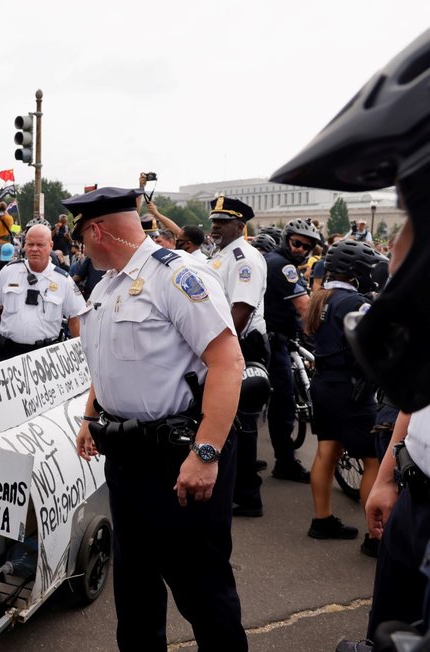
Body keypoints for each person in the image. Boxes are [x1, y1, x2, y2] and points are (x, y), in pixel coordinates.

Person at [269, 29, 430, 641]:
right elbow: (415, 399)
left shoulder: (318, 296)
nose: (399, 247)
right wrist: (390, 472)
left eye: (411, 219)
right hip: (413, 490)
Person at [68, 186, 246, 651]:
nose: (82, 248)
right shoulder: (106, 285)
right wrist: (92, 415)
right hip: (127, 460)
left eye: (82, 237)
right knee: (136, 591)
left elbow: (228, 363)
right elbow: (109, 362)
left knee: (202, 591)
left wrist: (205, 454)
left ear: (97, 230)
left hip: (179, 458)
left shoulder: (179, 276)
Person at [302, 240, 383, 550]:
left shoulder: (321, 297)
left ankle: (322, 521)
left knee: (326, 452)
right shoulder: (354, 301)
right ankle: (375, 537)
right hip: (351, 388)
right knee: (373, 460)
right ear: (357, 272)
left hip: (324, 384)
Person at [208, 197, 270, 518]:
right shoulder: (221, 255)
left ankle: (247, 496)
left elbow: (241, 311)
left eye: (223, 221)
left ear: (240, 226)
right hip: (228, 343)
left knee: (241, 424)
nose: (215, 226)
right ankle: (236, 487)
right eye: (214, 220)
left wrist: (215, 346)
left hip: (241, 344)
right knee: (229, 422)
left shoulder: (244, 257)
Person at [262, 218, 322, 482]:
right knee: (283, 403)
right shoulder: (284, 267)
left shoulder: (270, 260)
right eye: (297, 243)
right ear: (286, 239)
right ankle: (285, 463)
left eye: (306, 247)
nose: (300, 250)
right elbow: (304, 307)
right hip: (275, 341)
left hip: (269, 338)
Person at [0, 224, 83, 365]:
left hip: (45, 358)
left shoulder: (63, 280)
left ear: (51, 245)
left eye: (40, 244)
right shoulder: (9, 271)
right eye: (30, 244)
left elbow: (74, 321)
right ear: (24, 245)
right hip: (8, 354)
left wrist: (81, 356)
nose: (34, 249)